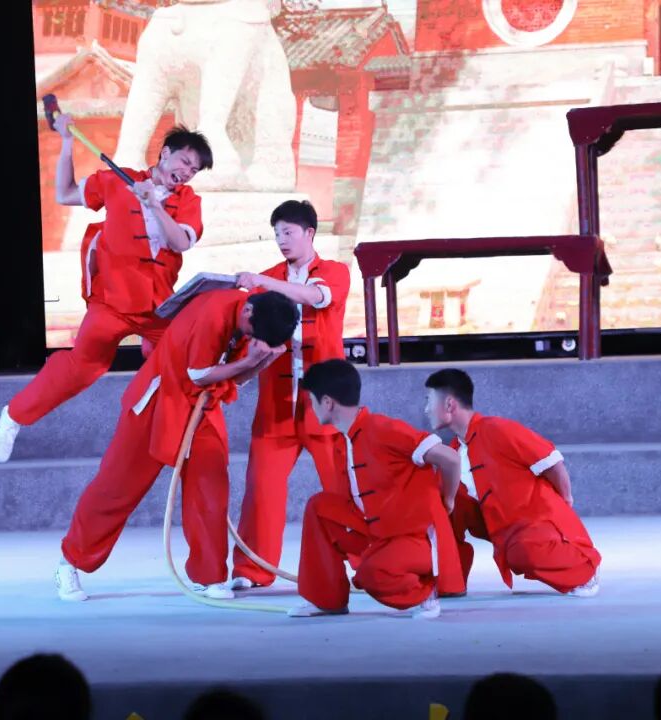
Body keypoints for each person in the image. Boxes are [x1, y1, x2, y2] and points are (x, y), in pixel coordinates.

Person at [0, 117, 212, 463]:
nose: (187, 172)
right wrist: (66, 142)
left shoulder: (189, 200)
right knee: (81, 368)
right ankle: (14, 415)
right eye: (184, 161)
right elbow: (64, 193)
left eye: (194, 170)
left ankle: (178, 439)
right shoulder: (117, 180)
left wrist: (153, 203)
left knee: (185, 362)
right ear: (165, 153)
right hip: (112, 303)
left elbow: (181, 242)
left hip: (159, 308)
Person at [55, 289, 299, 601]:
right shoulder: (214, 313)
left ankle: (209, 577)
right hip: (160, 402)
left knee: (210, 490)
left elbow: (235, 378)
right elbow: (199, 375)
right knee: (116, 489)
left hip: (202, 408)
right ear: (247, 311)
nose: (253, 340)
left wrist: (262, 361)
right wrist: (252, 359)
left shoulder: (257, 320)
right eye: (253, 334)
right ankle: (70, 563)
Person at [229, 200, 351, 590]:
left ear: (309, 233)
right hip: (276, 403)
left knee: (343, 486)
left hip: (325, 402)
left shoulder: (334, 271)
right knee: (261, 489)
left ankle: (367, 561)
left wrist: (261, 284)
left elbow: (316, 298)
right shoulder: (266, 278)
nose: (281, 240)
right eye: (277, 233)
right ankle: (252, 570)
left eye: (288, 232)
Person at [287, 360, 465, 619]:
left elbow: (450, 459)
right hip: (379, 529)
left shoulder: (382, 428)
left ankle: (425, 593)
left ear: (327, 402)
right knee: (319, 507)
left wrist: (448, 499)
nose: (310, 409)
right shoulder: (344, 440)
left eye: (311, 401)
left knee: (372, 574)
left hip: (414, 539)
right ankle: (327, 600)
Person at [423, 369, 601, 597]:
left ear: (449, 404)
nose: (426, 409)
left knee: (523, 551)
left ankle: (583, 571)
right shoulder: (454, 452)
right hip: (502, 526)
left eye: (429, 401)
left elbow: (553, 463)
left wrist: (565, 502)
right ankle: (451, 583)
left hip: (536, 523)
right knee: (443, 504)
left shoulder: (497, 429)